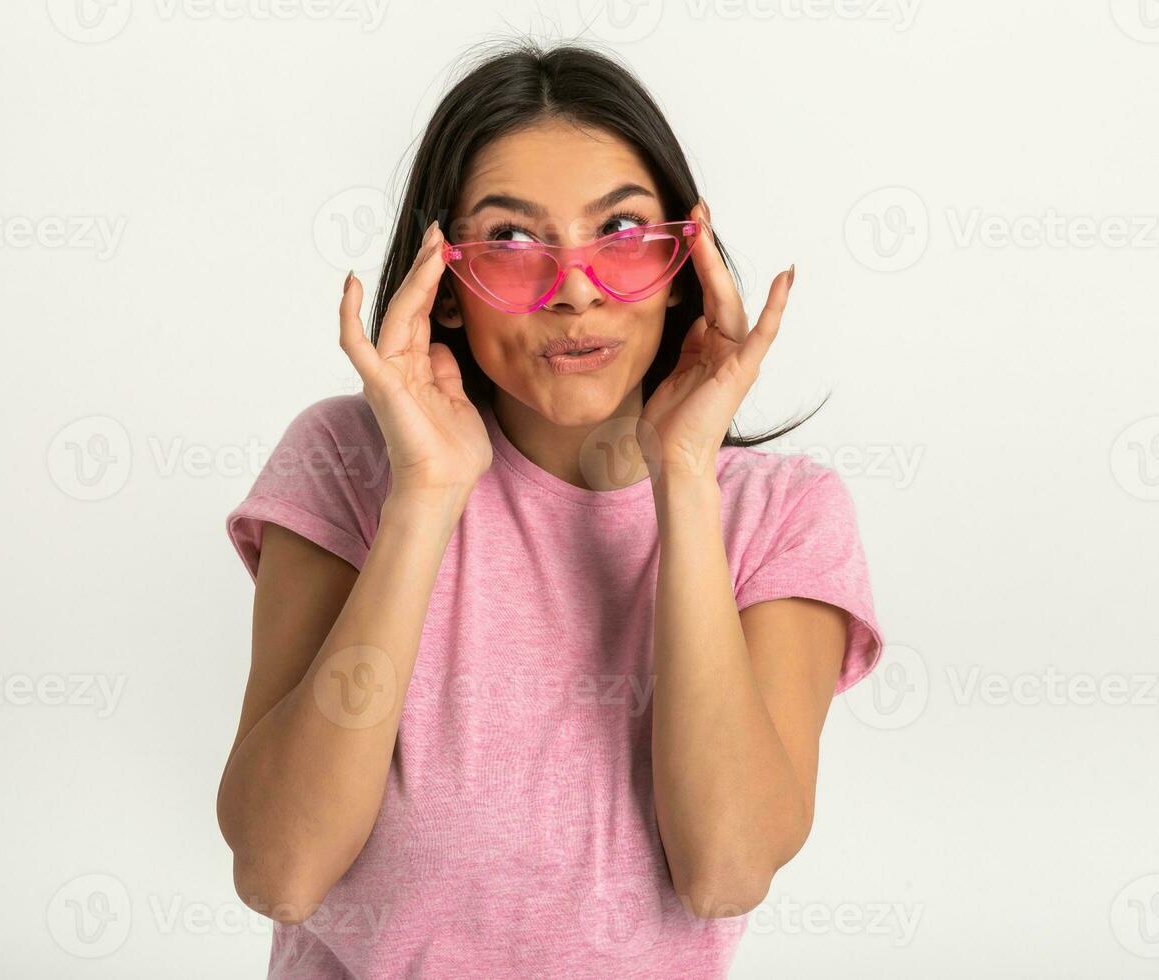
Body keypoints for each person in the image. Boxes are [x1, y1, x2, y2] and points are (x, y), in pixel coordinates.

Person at [217, 38, 885, 979]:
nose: (575, 290)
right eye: (515, 243)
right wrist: (426, 496)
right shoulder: (344, 461)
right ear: (444, 288)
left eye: (620, 234)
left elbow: (725, 869)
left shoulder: (784, 515)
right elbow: (281, 870)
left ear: (681, 267)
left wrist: (684, 474)